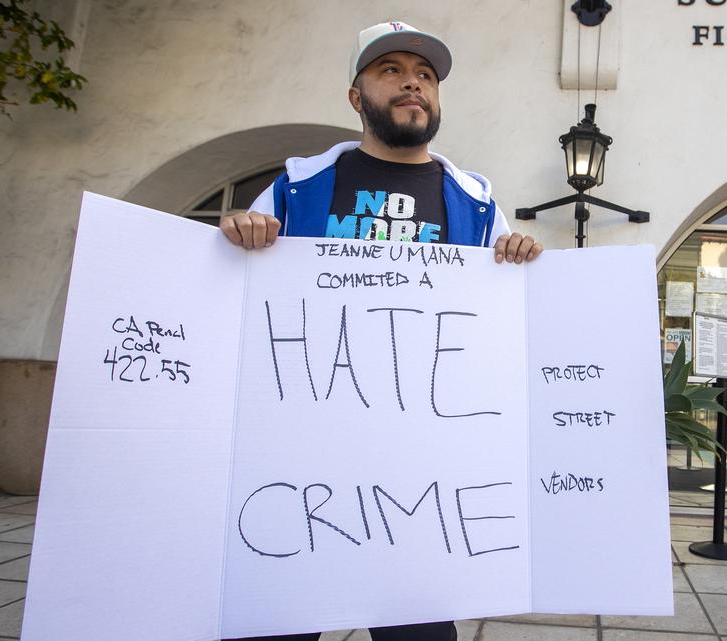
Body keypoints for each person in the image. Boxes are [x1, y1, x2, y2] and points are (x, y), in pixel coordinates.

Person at [219, 20, 542, 641]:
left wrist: (520, 260)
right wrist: (239, 234)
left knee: (418, 631)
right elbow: (234, 297)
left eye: (424, 75)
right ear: (356, 95)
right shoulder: (295, 188)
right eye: (390, 70)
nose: (411, 84)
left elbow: (497, 324)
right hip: (301, 459)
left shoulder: (475, 204)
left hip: (417, 473)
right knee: (277, 622)